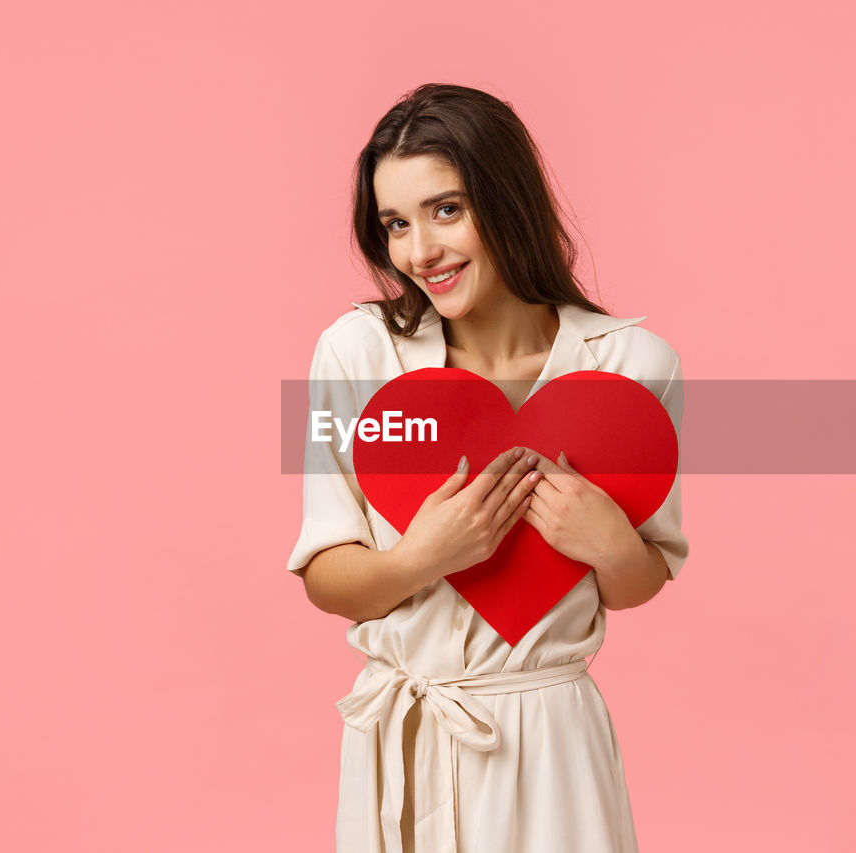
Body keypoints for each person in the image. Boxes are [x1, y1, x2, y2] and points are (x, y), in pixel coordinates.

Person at [286, 83, 689, 853]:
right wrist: (422, 557)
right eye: (395, 224)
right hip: (409, 737)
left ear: (509, 200)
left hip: (554, 744)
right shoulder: (358, 355)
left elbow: (641, 580)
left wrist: (608, 542)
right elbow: (326, 577)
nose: (419, 252)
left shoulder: (633, 367)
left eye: (446, 210)